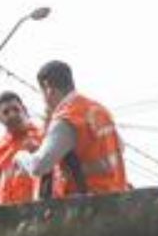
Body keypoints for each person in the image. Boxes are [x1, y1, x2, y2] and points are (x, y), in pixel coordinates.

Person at [11, 61, 129, 200]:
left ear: (48, 88)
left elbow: (39, 166)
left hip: (88, 205)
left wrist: (20, 157)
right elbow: (120, 146)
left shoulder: (67, 118)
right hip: (117, 198)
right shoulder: (98, 110)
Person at [0, 91, 43, 207]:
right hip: (7, 216)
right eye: (6, 112)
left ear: (24, 110)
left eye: (16, 109)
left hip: (38, 212)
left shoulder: (43, 137)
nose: (12, 115)